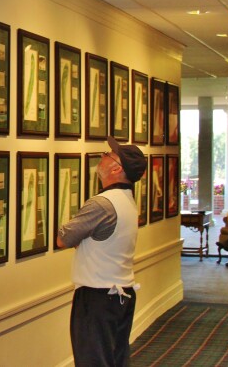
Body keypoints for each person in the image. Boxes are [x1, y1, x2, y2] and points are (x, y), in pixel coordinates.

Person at [56, 136, 147, 367]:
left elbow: (63, 238)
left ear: (116, 168)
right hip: (121, 294)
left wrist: (80, 240)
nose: (102, 157)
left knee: (92, 360)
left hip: (97, 298)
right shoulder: (127, 200)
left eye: (108, 155)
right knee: (115, 358)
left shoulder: (101, 204)